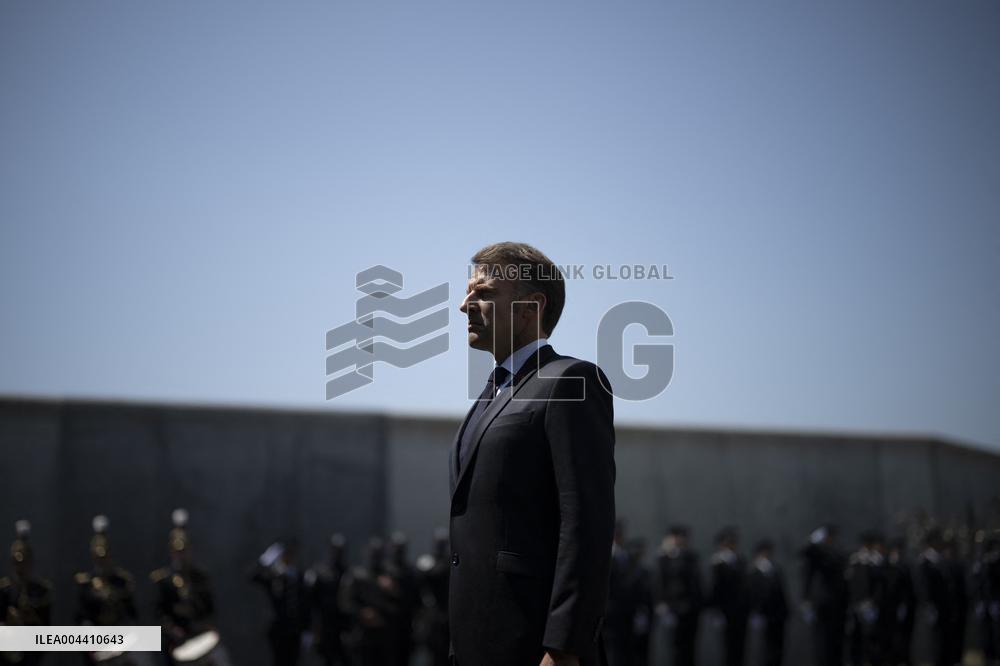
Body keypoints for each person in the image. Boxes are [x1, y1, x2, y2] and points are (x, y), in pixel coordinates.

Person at [449, 242, 616, 666]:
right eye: (469, 292)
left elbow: (586, 523)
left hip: (534, 647)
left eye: (483, 293)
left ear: (531, 307)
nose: (466, 304)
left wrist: (564, 646)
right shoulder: (489, 395)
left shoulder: (571, 381)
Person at [149, 509, 221, 666]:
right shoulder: (163, 580)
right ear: (171, 551)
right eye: (177, 551)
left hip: (201, 634)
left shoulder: (200, 576)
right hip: (176, 639)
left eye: (183, 551)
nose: (180, 555)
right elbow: (158, 613)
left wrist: (206, 625)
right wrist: (172, 629)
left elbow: (210, 607)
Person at [249, 538, 310, 666]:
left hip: (295, 630)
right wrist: (264, 561)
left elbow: (306, 605)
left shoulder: (300, 577)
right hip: (278, 630)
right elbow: (253, 577)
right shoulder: (274, 578)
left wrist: (306, 630)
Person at [1, 520, 52, 666]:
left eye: (24, 561)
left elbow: (46, 629)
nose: (20, 566)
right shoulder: (4, 590)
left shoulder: (41, 590)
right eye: (17, 562)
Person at [799, 524, 847, 666]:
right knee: (822, 642)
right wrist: (813, 542)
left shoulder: (835, 553)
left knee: (835, 642)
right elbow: (806, 553)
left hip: (838, 604)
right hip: (822, 603)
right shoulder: (817, 553)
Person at [654, 526, 702, 666]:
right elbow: (659, 583)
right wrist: (662, 603)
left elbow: (696, 583)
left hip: (691, 609)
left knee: (690, 648)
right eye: (677, 536)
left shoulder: (691, 557)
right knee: (676, 648)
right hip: (674, 608)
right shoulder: (664, 558)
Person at [306, 533, 350, 666]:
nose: (338, 553)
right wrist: (313, 630)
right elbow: (311, 602)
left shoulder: (348, 573)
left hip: (342, 626)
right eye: (336, 550)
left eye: (341, 550)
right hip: (324, 626)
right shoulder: (320, 572)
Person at [708, 527, 748, 666]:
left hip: (741, 610)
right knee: (727, 646)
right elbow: (715, 589)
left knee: (740, 647)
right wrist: (716, 611)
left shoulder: (740, 561)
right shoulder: (717, 563)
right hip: (726, 610)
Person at [745, 539, 788, 666]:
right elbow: (752, 595)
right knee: (763, 648)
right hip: (763, 614)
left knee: (777, 647)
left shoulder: (775, 569)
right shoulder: (753, 572)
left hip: (778, 615)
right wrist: (755, 612)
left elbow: (781, 593)